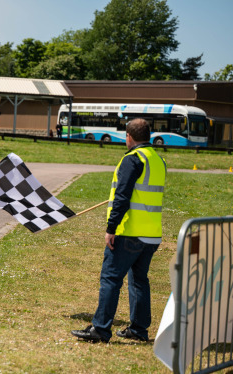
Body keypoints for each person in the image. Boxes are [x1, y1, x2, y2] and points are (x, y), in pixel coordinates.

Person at [71, 118, 166, 343]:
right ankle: (139, 330)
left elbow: (122, 197)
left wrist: (110, 228)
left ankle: (101, 329)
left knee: (111, 279)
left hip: (129, 232)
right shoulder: (158, 160)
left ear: (129, 137)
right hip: (151, 234)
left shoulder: (132, 159)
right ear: (149, 136)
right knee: (139, 281)